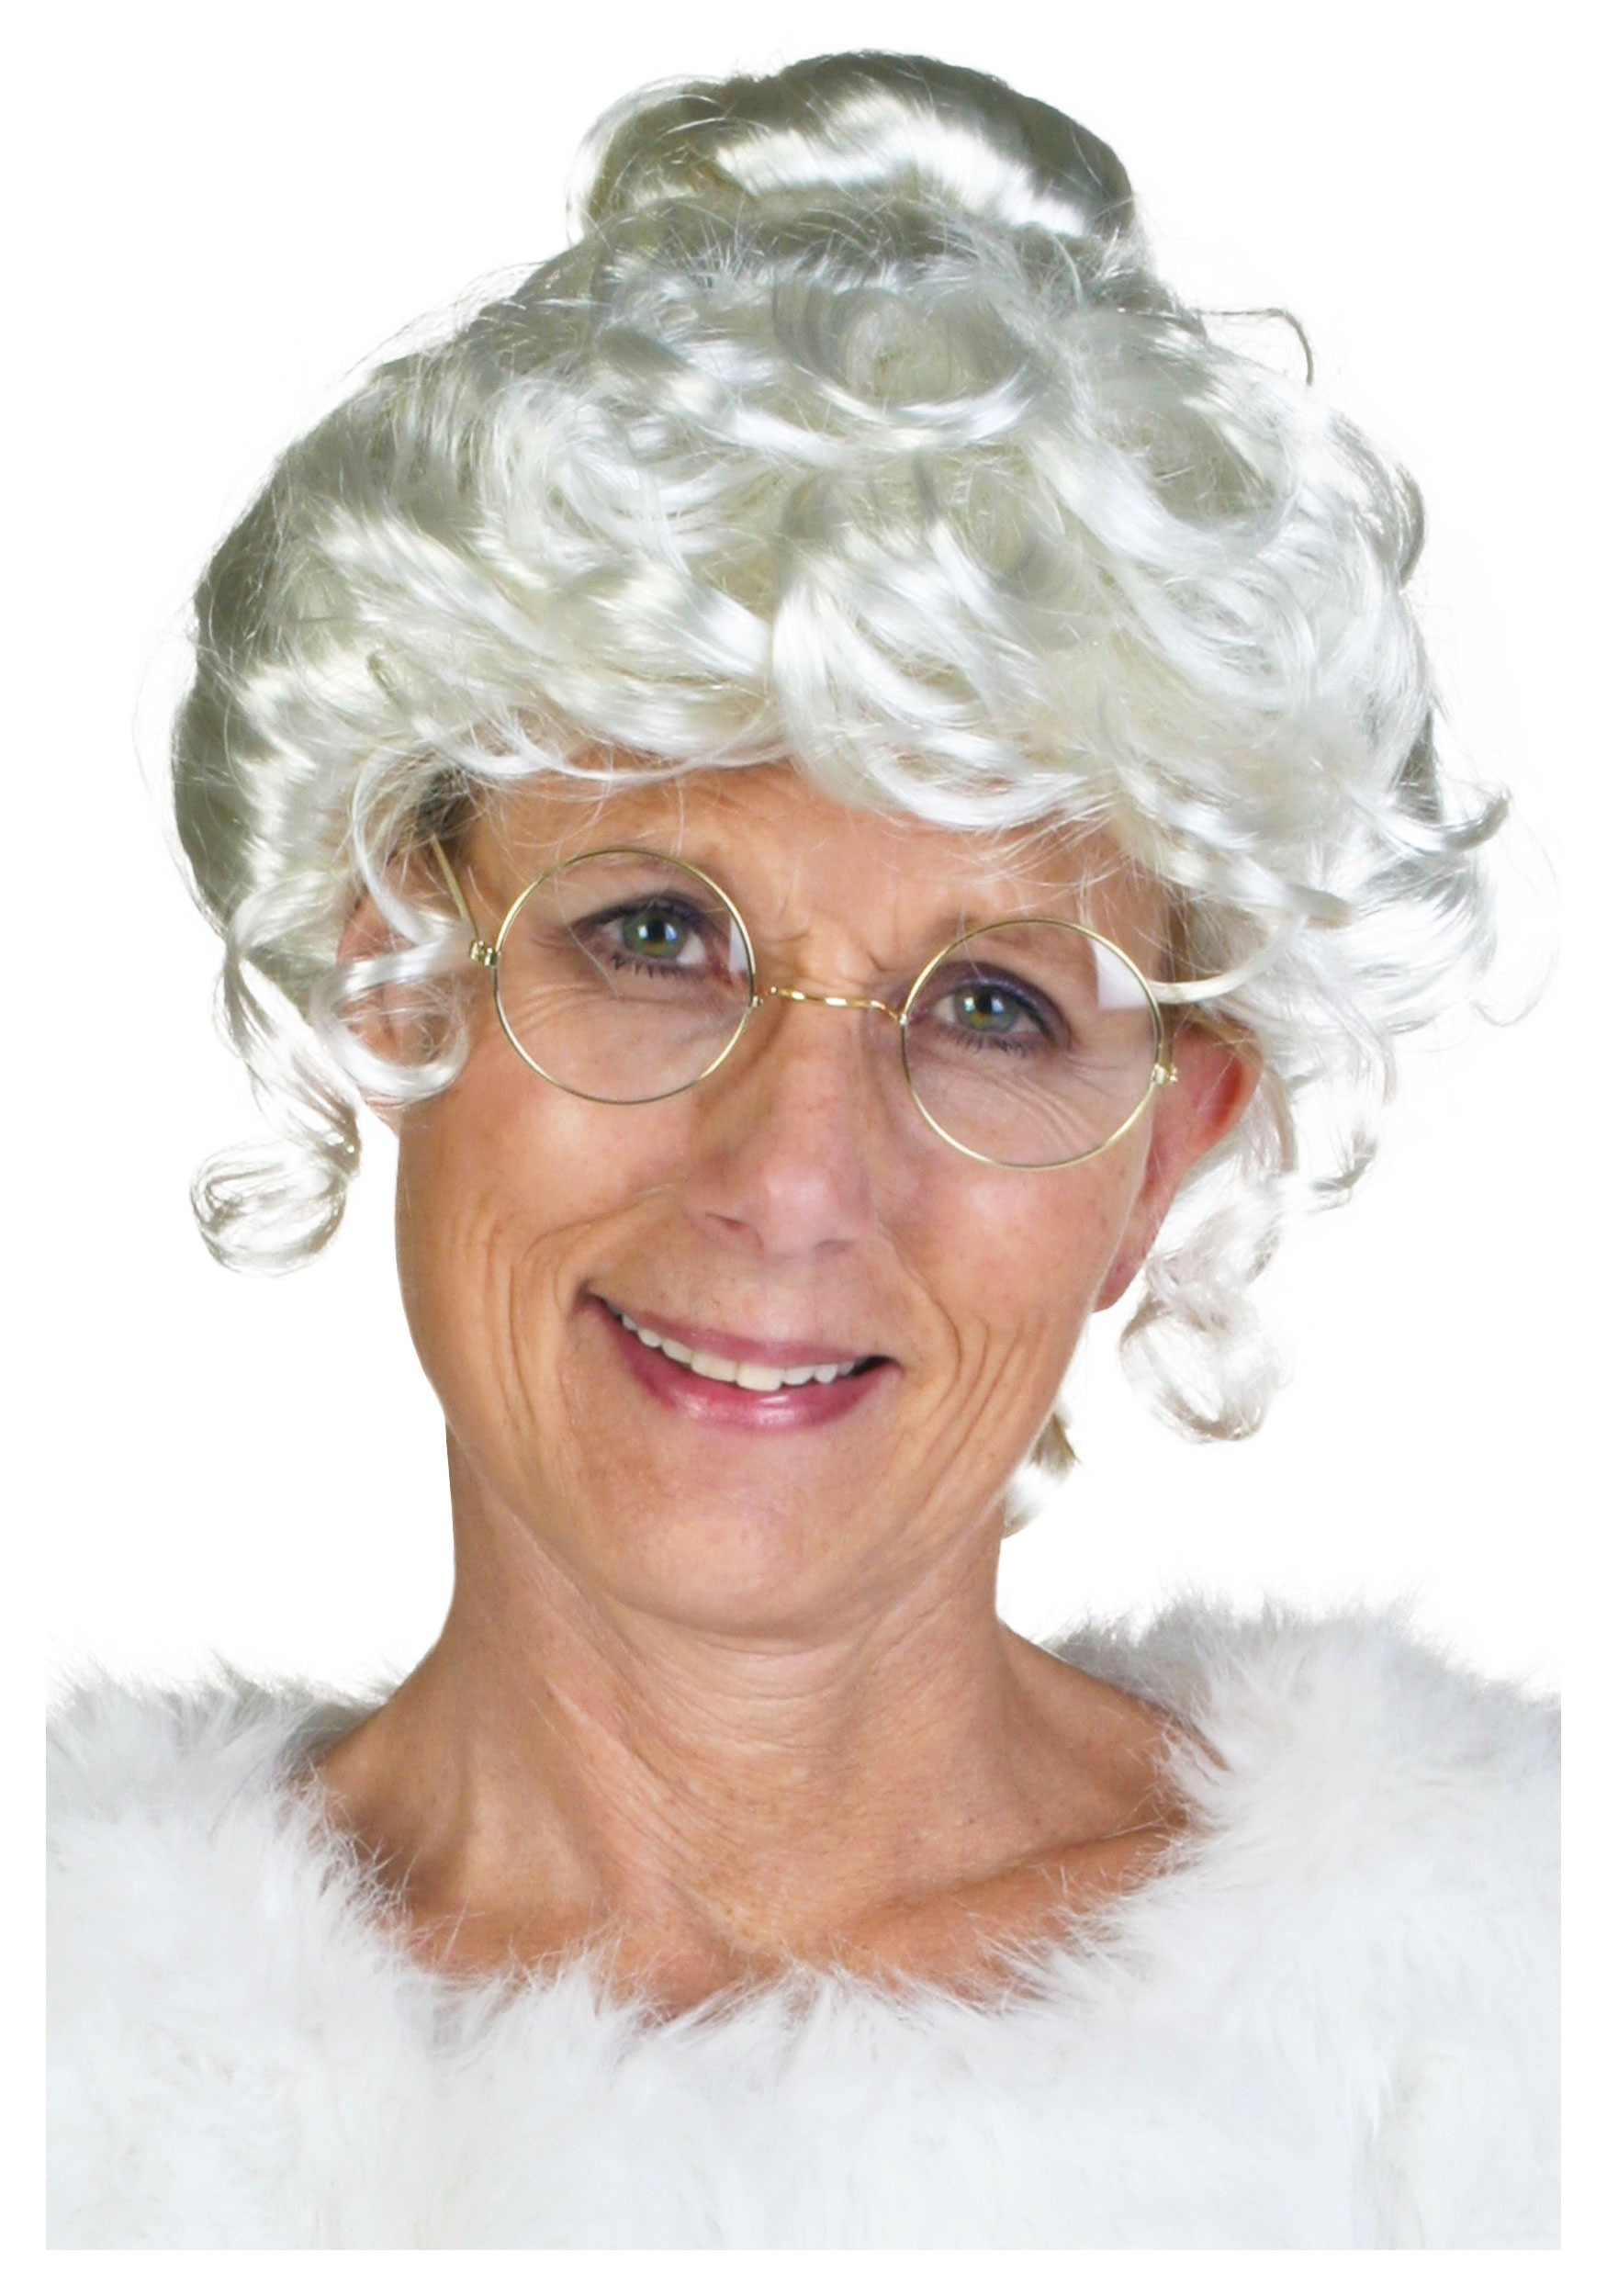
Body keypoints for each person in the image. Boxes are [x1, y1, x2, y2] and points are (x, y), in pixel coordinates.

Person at [46, 51, 1558, 2248]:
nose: (791, 1178)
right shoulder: (66, 2050)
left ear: (1161, 1153)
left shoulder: (1501, 2033)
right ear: (399, 965)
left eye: (993, 1003)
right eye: (656, 934)